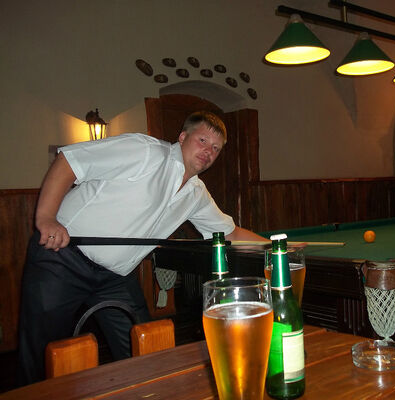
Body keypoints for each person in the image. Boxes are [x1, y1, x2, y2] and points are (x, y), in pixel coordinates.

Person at [17, 111, 267, 385]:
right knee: (43, 357)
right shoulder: (144, 151)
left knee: (147, 348)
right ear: (182, 137)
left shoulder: (196, 194)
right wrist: (46, 218)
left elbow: (231, 233)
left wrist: (277, 248)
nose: (208, 151)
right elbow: (69, 161)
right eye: (203, 141)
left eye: (216, 148)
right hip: (62, 259)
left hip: (115, 277)